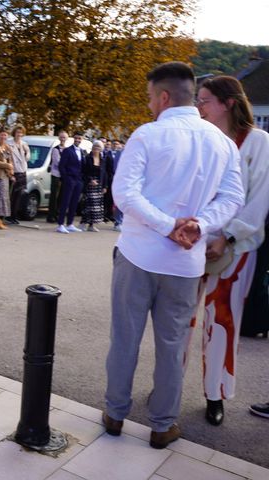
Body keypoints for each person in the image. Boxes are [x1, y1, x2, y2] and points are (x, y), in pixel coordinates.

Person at [103, 62, 244, 450]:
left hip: (138, 254)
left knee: (125, 338)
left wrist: (169, 225)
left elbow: (125, 194)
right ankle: (163, 424)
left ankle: (115, 413)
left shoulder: (148, 134)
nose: (149, 104)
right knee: (172, 344)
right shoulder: (223, 143)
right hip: (185, 262)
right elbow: (233, 198)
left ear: (163, 96)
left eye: (150, 97)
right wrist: (199, 224)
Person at [186, 76, 269, 426]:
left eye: (204, 100)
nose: (199, 106)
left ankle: (215, 393)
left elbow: (259, 199)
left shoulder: (258, 142)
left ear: (228, 102)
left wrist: (229, 237)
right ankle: (168, 384)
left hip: (234, 249)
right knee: (180, 319)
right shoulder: (199, 139)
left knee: (221, 323)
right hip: (191, 243)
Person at [56, 132, 86, 234]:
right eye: (76, 138)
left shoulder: (82, 152)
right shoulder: (67, 150)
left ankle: (70, 223)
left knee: (74, 202)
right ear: (74, 139)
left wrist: (82, 179)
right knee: (65, 202)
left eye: (80, 138)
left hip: (78, 180)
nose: (78, 140)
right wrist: (65, 178)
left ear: (82, 140)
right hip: (69, 179)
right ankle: (60, 224)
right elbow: (61, 166)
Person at [82, 140, 108, 232]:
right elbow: (84, 172)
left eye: (98, 147)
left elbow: (104, 173)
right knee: (88, 204)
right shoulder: (87, 158)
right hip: (89, 183)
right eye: (94, 147)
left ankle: (91, 225)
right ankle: (83, 223)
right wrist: (90, 180)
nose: (96, 149)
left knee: (96, 206)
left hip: (98, 184)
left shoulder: (102, 160)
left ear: (101, 149)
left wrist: (105, 186)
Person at [8, 125, 30, 224]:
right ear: (14, 133)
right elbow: (8, 159)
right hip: (14, 172)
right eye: (17, 132)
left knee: (19, 196)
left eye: (21, 133)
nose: (19, 134)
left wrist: (26, 152)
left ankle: (14, 215)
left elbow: (27, 158)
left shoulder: (24, 144)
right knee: (12, 196)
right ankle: (9, 215)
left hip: (22, 172)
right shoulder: (9, 143)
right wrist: (10, 174)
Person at [46, 130, 68, 223]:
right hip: (56, 175)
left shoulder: (67, 149)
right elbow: (57, 162)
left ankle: (58, 214)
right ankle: (51, 215)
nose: (63, 139)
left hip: (64, 176)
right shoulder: (55, 149)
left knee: (61, 196)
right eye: (61, 137)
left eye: (64, 137)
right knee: (54, 196)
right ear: (59, 138)